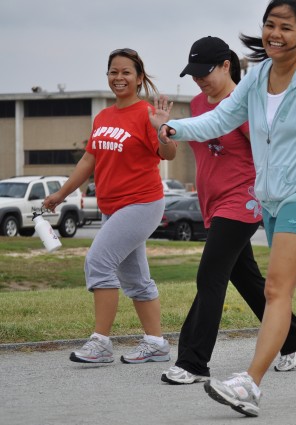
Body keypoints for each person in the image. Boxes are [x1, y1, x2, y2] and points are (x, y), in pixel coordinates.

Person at [149, 0, 296, 417]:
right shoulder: (257, 77)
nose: (275, 33)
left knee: (277, 288)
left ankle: (250, 383)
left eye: (286, 27)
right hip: (274, 197)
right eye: (269, 25)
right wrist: (175, 128)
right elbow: (220, 119)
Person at [161, 36, 296, 385]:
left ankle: (192, 362)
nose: (199, 79)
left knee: (210, 276)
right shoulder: (199, 104)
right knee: (243, 276)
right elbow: (175, 151)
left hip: (243, 201)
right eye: (194, 73)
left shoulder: (245, 104)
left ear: (227, 65)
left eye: (206, 71)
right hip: (213, 203)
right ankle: (295, 336)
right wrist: (164, 132)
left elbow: (271, 152)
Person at [43, 48, 177, 364]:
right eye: (113, 72)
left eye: (126, 72)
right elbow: (90, 159)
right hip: (112, 206)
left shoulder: (146, 114)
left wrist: (161, 131)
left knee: (98, 262)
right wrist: (61, 194)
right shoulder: (103, 116)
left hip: (142, 203)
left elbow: (169, 154)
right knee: (135, 279)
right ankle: (156, 343)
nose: (119, 78)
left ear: (139, 78)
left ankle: (101, 343)